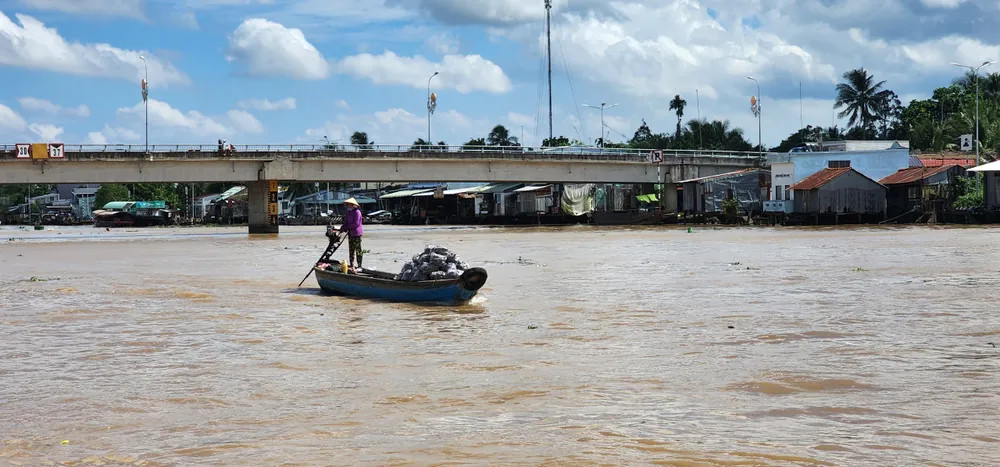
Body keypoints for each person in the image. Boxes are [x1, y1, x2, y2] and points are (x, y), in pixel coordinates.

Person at [339, 197, 363, 271]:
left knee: (358, 250)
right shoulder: (349, 213)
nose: (348, 206)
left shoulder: (357, 212)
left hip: (356, 234)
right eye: (347, 205)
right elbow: (346, 222)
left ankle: (359, 266)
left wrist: (347, 228)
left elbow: (356, 224)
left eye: (349, 205)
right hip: (350, 234)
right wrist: (342, 228)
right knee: (351, 250)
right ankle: (352, 265)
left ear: (353, 205)